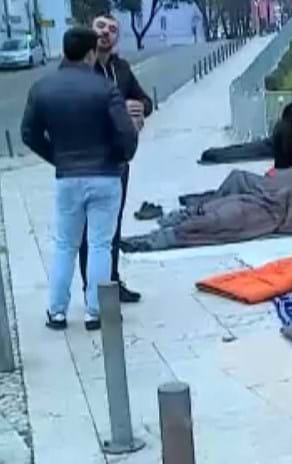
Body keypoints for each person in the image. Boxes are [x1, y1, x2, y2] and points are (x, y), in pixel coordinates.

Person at [21, 27, 138, 331]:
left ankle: (57, 312)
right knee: (100, 244)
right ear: (90, 54)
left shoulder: (42, 88)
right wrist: (121, 156)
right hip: (105, 175)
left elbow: (28, 134)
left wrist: (56, 157)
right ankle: (94, 312)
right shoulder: (104, 89)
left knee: (65, 245)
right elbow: (126, 132)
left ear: (64, 51)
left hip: (67, 177)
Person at [79, 13, 153, 305]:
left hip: (119, 160)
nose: (106, 33)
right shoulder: (82, 69)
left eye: (112, 30)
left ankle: (111, 281)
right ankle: (92, 288)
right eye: (101, 27)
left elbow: (145, 101)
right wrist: (120, 110)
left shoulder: (121, 69)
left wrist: (139, 108)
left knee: (114, 225)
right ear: (90, 31)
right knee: (90, 230)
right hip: (89, 161)